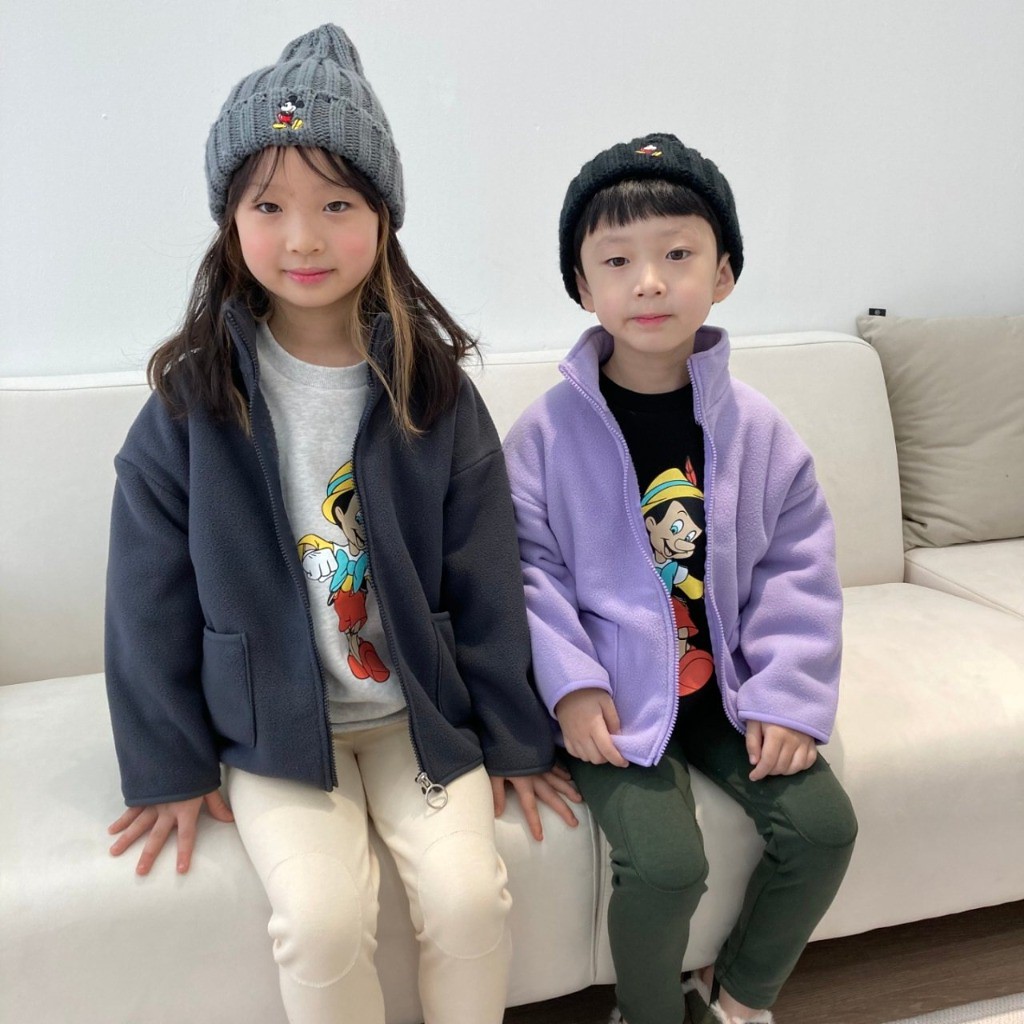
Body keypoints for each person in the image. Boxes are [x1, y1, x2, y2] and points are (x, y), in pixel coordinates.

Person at [103, 24, 579, 1024]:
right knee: (319, 925)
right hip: (273, 729)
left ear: (382, 218)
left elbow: (487, 576)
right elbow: (146, 597)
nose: (304, 239)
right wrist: (169, 765)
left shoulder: (432, 389)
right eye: (268, 205)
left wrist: (517, 739)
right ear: (230, 221)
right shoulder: (191, 401)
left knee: (470, 901)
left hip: (416, 719)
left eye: (336, 204)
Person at [502, 133, 858, 1024]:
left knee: (824, 829)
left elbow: (797, 567)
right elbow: (527, 571)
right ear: (583, 286)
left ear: (723, 273)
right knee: (666, 867)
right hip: (614, 701)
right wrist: (570, 687)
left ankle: (736, 999)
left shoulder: (760, 431)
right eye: (617, 261)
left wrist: (789, 694)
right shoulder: (545, 434)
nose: (649, 282)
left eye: (677, 255)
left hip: (726, 689)